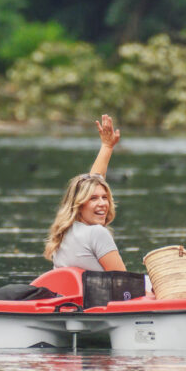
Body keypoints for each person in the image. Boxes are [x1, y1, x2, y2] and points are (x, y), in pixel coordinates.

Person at [44, 115, 126, 271]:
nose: (102, 203)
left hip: (72, 293)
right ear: (78, 205)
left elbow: (93, 181)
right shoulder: (97, 233)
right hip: (99, 295)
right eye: (93, 199)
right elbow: (124, 283)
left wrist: (107, 147)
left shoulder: (63, 232)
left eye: (104, 197)